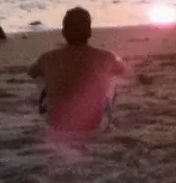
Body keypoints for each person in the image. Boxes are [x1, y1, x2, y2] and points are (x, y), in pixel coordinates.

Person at [28, 7, 127, 135]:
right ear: (89, 32)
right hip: (93, 126)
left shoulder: (48, 57)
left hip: (57, 126)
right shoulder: (105, 56)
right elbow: (122, 68)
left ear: (63, 32)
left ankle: (54, 108)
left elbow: (31, 72)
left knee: (42, 76)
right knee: (111, 76)